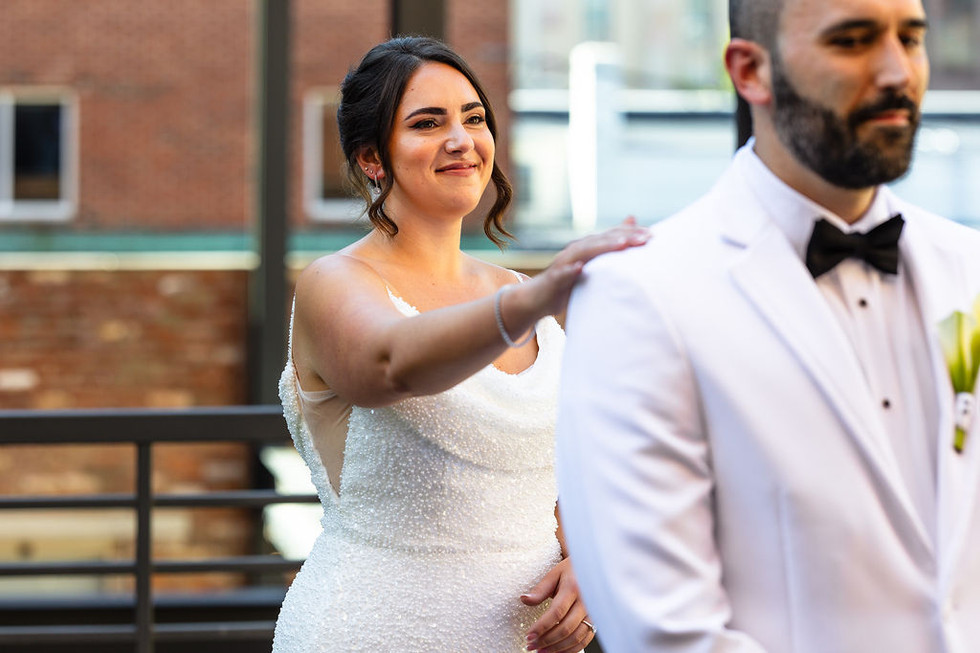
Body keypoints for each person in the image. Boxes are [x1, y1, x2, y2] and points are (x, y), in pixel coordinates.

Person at [555, 0, 980, 651]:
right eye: (854, 40)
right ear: (750, 69)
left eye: (911, 37)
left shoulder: (970, 269)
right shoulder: (639, 295)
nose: (898, 72)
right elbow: (664, 631)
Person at [271, 36, 648, 653]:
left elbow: (563, 469)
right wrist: (541, 295)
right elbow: (389, 363)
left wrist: (583, 558)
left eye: (474, 118)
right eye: (428, 123)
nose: (461, 139)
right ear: (372, 158)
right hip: (370, 630)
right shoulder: (334, 284)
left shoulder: (521, 293)